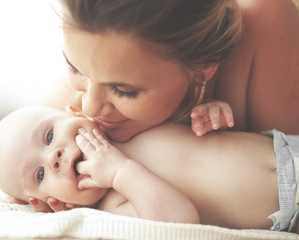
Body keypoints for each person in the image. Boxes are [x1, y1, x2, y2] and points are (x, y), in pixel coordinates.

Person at [0, 105, 299, 232]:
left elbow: (184, 113)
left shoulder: (127, 123)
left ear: (76, 111)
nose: (53, 157)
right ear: (46, 203)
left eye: (49, 135)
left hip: (282, 144)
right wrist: (120, 172)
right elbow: (180, 221)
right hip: (288, 207)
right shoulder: (114, 205)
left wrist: (210, 109)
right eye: (40, 175)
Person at [43, 0, 299, 141]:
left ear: (204, 63)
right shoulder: (57, 110)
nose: (89, 107)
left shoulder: (263, 20)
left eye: (123, 91)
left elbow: (288, 174)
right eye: (75, 68)